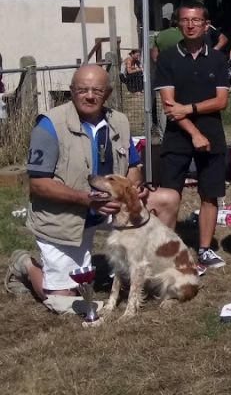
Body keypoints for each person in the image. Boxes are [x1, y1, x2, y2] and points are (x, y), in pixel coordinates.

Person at [6, 65, 179, 311]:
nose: (89, 95)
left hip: (113, 208)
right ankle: (25, 264)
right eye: (82, 90)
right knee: (63, 300)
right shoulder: (49, 125)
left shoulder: (119, 121)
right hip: (65, 216)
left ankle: (149, 267)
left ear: (107, 93)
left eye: (97, 90)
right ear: (71, 91)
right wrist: (86, 199)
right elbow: (38, 185)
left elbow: (132, 166)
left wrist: (132, 187)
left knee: (167, 199)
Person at [154, 1, 230, 271]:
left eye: (196, 20)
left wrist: (191, 108)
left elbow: (221, 101)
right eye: (184, 20)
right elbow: (169, 106)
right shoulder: (166, 59)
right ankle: (167, 250)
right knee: (169, 194)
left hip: (213, 134)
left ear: (205, 24)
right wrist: (194, 131)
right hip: (178, 136)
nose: (190, 25)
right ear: (178, 24)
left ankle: (205, 249)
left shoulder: (218, 59)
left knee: (209, 194)